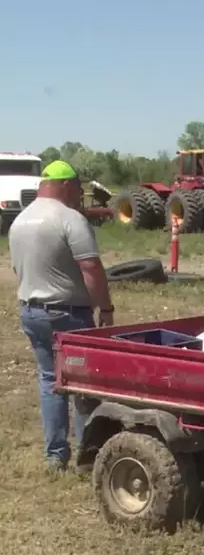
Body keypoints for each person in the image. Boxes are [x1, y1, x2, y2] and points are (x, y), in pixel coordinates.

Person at [10, 160, 114, 472]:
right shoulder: (70, 219)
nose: (80, 193)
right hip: (69, 314)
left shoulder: (20, 220)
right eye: (78, 187)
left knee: (49, 381)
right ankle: (88, 453)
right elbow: (90, 267)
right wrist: (105, 308)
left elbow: (18, 269)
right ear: (65, 184)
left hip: (32, 311)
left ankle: (56, 455)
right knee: (83, 383)